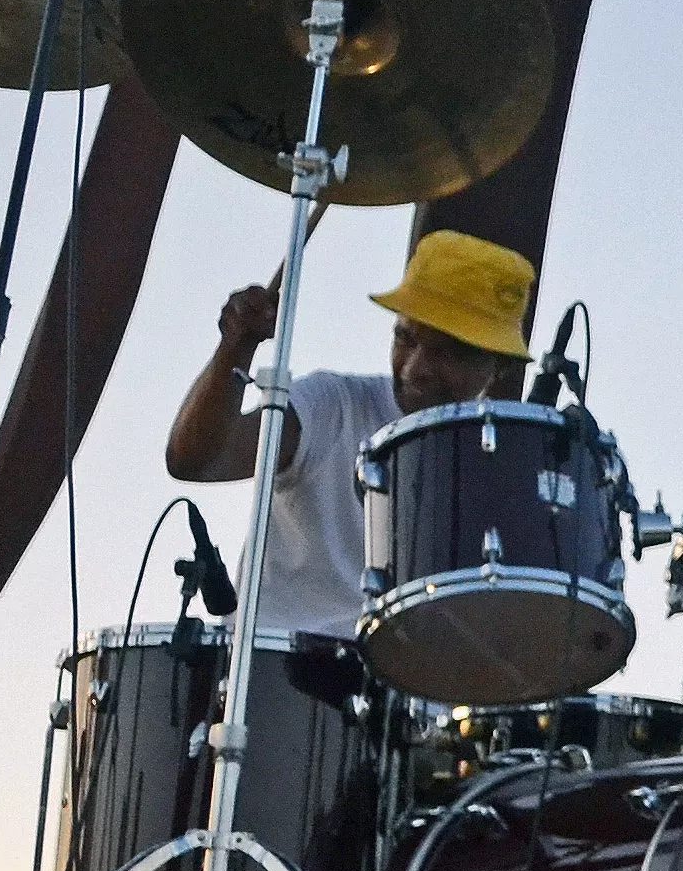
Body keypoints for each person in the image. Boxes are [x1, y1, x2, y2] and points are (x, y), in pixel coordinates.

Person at [164, 231, 535, 639]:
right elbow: (194, 461)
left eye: (449, 351)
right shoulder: (332, 404)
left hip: (404, 692)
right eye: (405, 338)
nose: (415, 368)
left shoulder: (507, 471)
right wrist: (235, 347)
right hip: (272, 677)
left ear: (499, 367)